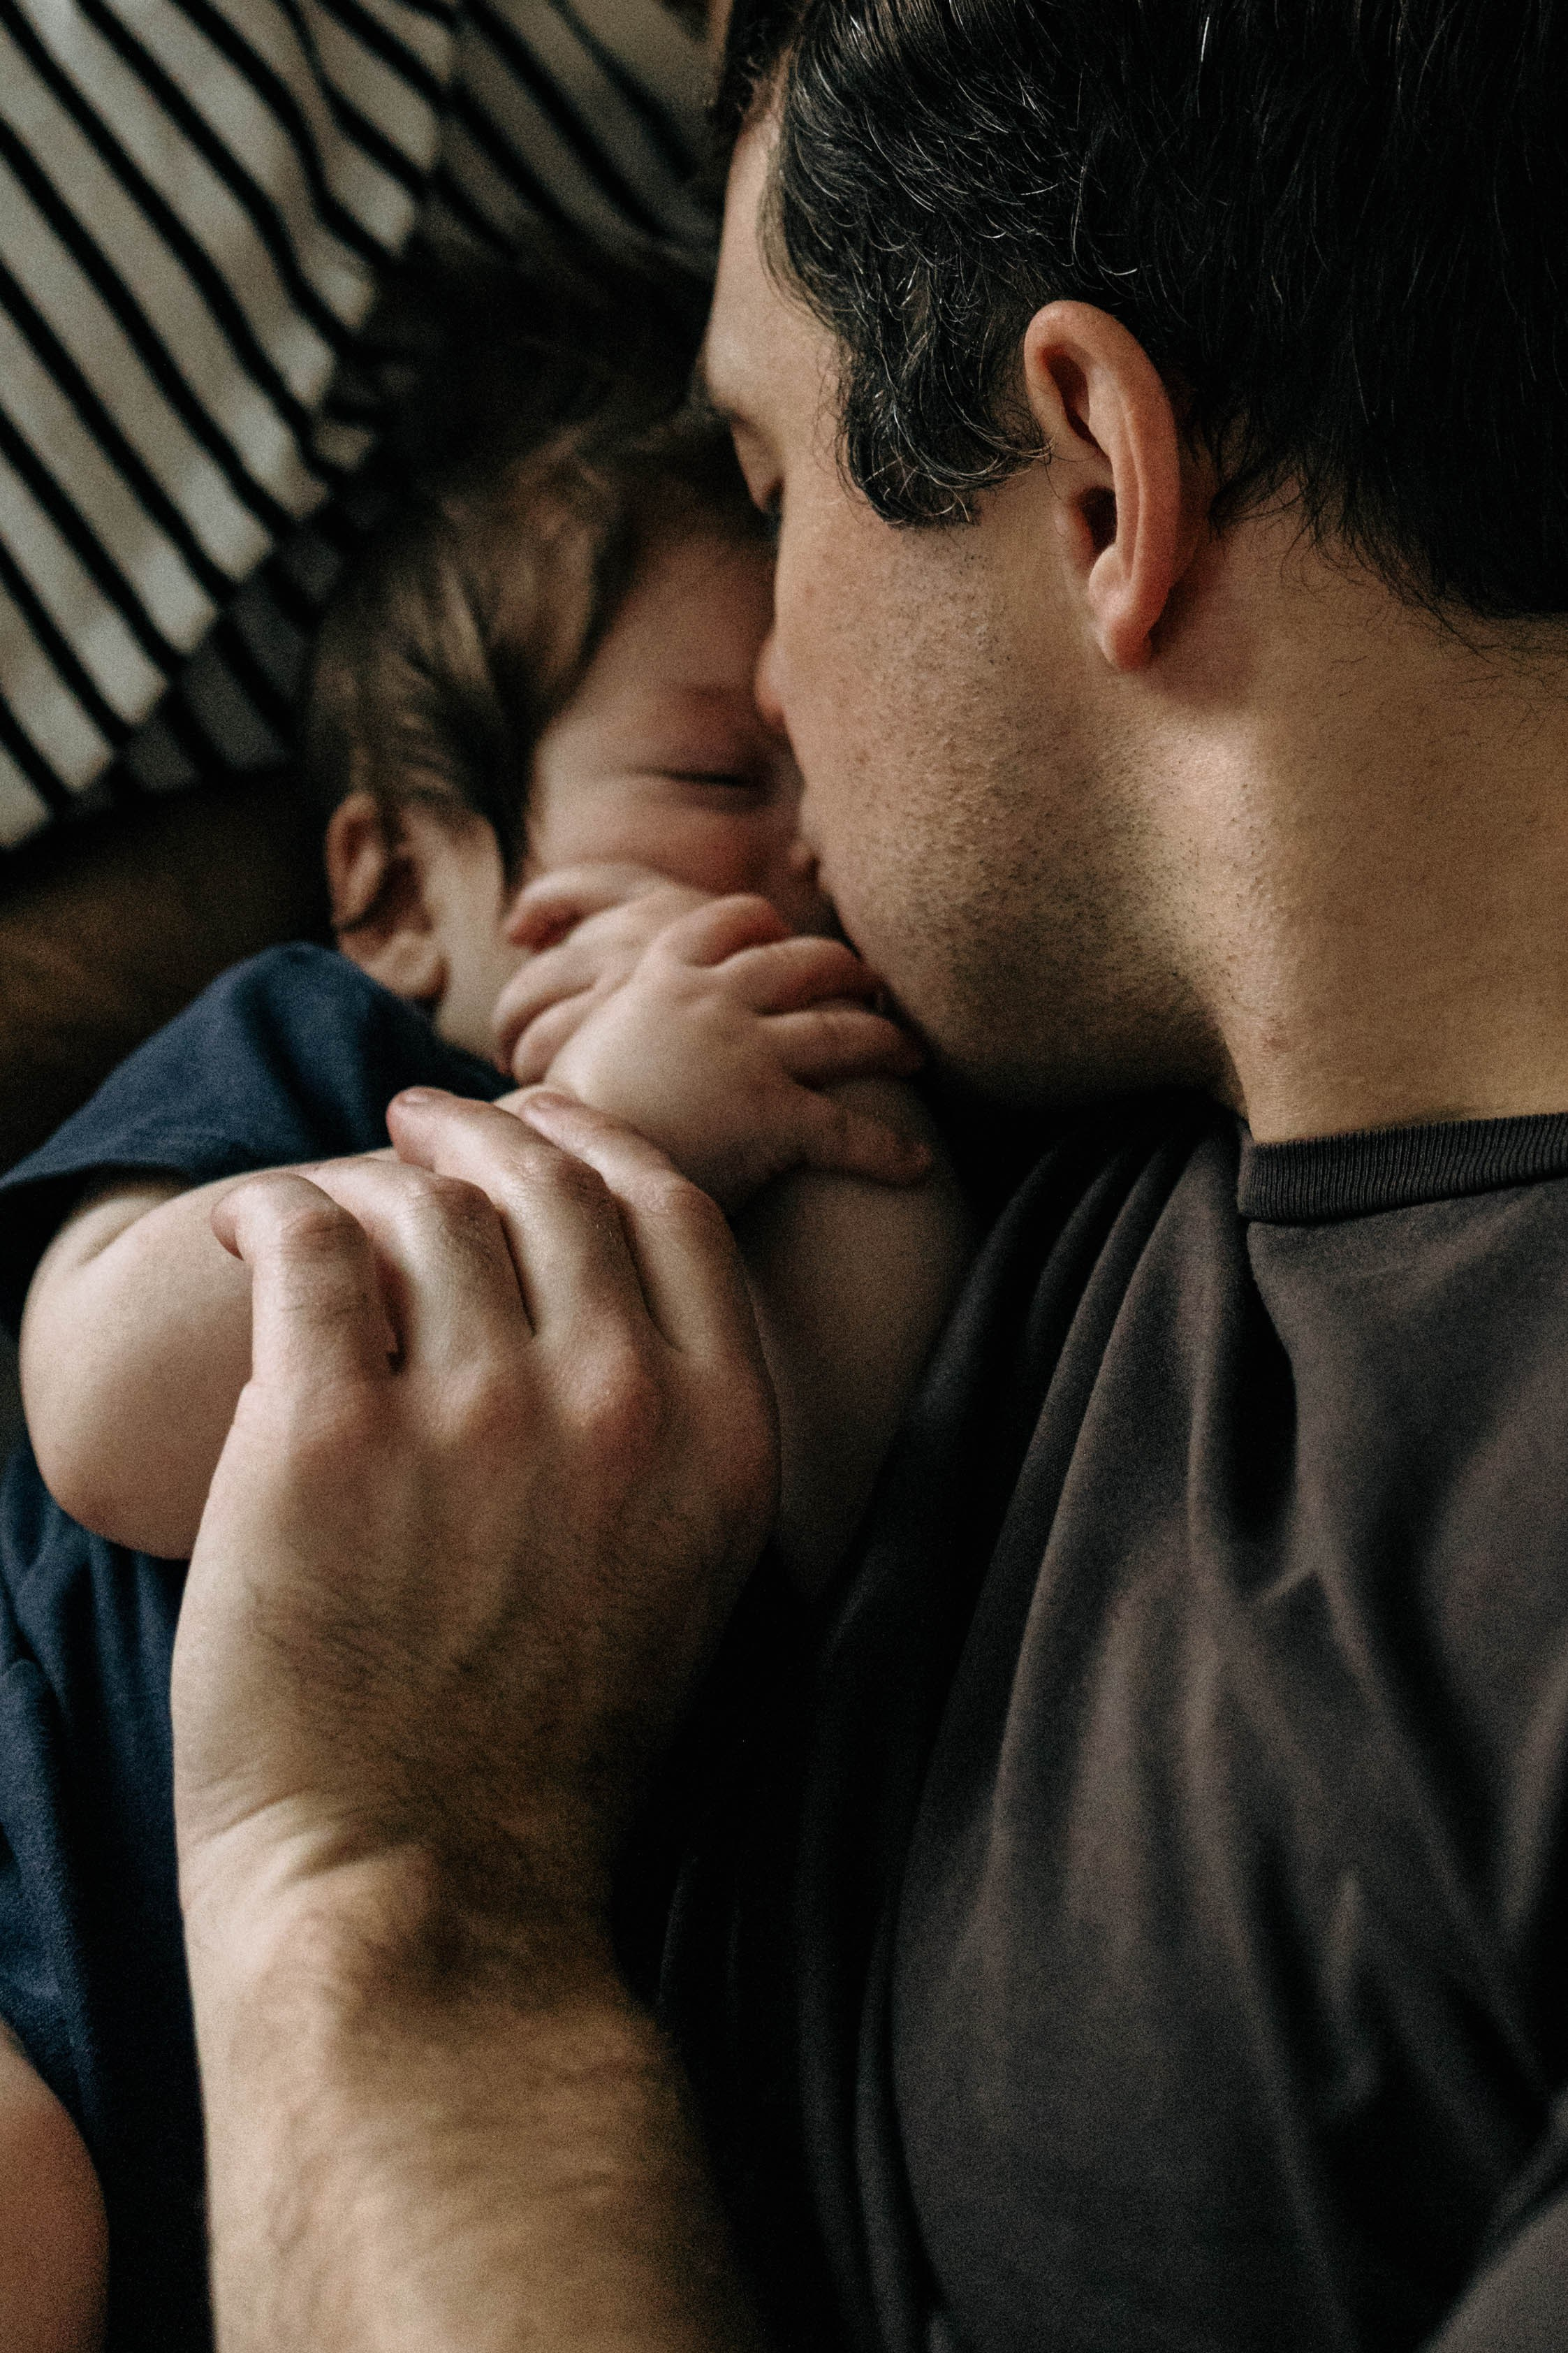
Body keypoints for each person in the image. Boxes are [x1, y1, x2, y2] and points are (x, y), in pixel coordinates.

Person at [15, 0, 1568, 2347]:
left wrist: (387, 1893)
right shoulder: (1056, 1052)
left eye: (769, 487)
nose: (784, 711)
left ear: (1098, 487)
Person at [0, 244, 969, 2350]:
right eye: (723, 784)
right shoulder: (320, 1059)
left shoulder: (847, 1152)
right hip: (52, 1948)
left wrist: (785, 1139)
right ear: (395, 888)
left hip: (491, 2096)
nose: (807, 860)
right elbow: (103, 1402)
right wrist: (609, 1124)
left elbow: (842, 1493)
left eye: (832, 780)